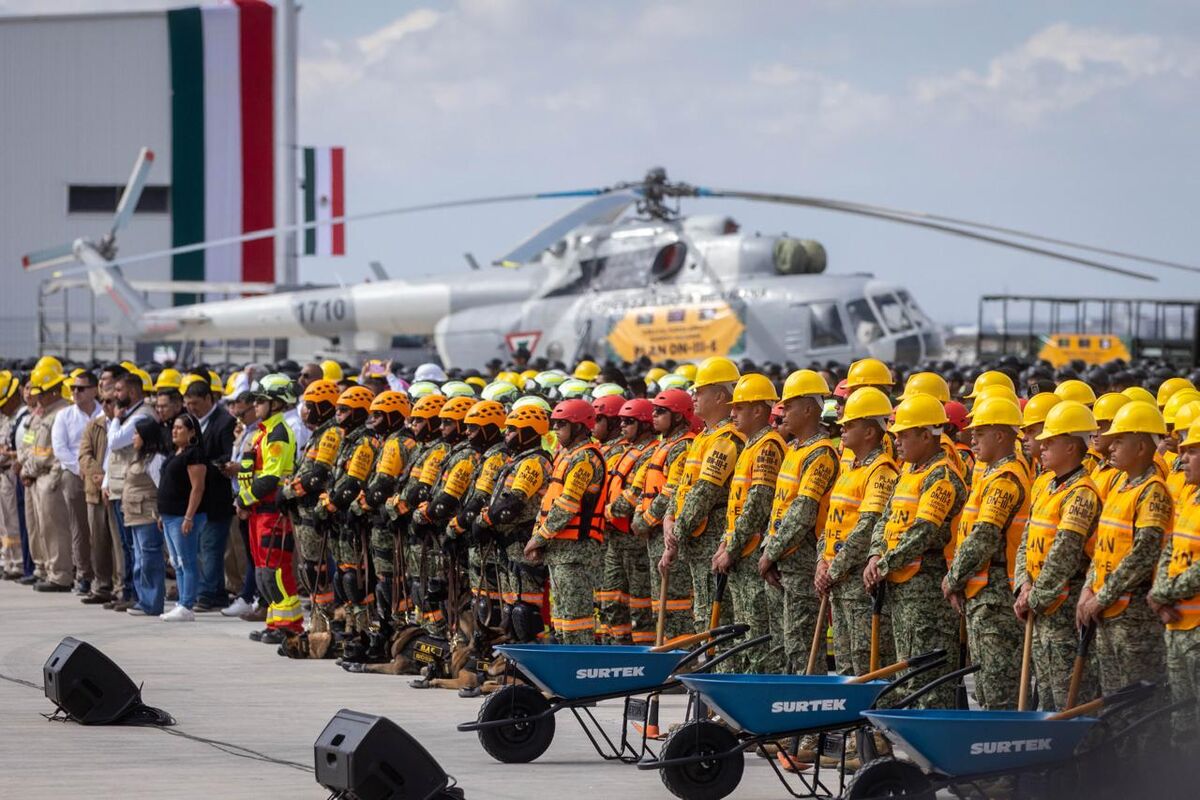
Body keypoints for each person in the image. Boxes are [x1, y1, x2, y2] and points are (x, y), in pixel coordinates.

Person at [865, 393, 966, 708]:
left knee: (928, 680)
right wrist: (875, 555)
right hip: (900, 584)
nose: (897, 442)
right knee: (907, 674)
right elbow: (886, 519)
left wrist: (884, 565)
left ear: (927, 435)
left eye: (904, 435)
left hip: (924, 588)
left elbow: (924, 532)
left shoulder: (942, 476)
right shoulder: (909, 472)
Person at [1078, 400, 1170, 697]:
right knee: (1113, 705)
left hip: (1133, 618)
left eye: (1119, 440)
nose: (1111, 446)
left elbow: (1143, 554)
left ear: (1142, 447)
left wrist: (1100, 598)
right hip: (1108, 610)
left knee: (1136, 708)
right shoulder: (1121, 486)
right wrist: (1088, 589)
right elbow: (1103, 546)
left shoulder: (1152, 491)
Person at [1013, 401, 1101, 710]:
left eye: (1051, 441)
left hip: (1061, 609)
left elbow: (1064, 552)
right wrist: (1023, 585)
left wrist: (1033, 596)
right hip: (1039, 606)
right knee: (1047, 697)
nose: (1043, 445)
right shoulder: (1048, 487)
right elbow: (1026, 540)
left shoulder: (1081, 493)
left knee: (1069, 701)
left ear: (1072, 447)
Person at [944, 396, 1029, 710]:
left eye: (980, 433)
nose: (972, 438)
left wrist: (953, 578)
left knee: (999, 690)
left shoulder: (1005, 480)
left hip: (996, 595)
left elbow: (984, 537)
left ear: (1001, 436)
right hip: (982, 591)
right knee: (987, 688)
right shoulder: (990, 474)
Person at [760, 370, 837, 675]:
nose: (782, 412)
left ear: (809, 409)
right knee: (785, 646)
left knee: (804, 649)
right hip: (782, 563)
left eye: (789, 405)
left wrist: (770, 552)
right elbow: (779, 508)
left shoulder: (821, 453)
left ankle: (812, 713)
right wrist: (770, 550)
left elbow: (803, 512)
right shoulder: (794, 449)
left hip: (801, 563)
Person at [663, 356, 744, 634]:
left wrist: (676, 534)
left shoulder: (727, 438)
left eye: (700, 391)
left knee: (713, 618)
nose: (693, 397)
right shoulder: (703, 437)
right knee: (703, 616)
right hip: (694, 541)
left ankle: (717, 674)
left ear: (720, 395)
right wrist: (669, 519)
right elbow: (684, 486)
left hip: (711, 540)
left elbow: (704, 492)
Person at [713, 373, 784, 673]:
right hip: (740, 551)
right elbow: (737, 505)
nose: (732, 413)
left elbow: (757, 505)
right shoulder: (750, 445)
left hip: (751, 553)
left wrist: (732, 546)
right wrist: (726, 543)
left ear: (758, 410)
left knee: (756, 641)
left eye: (740, 407)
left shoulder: (767, 446)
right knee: (744, 636)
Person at [524, 399, 607, 644]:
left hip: (575, 552)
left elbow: (567, 505)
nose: (556, 430)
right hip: (560, 550)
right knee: (561, 620)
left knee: (575, 620)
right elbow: (549, 503)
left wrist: (538, 538)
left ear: (580, 427)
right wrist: (540, 540)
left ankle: (579, 669)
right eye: (555, 424)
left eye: (562, 425)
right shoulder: (566, 456)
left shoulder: (584, 459)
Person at [237, 375, 300, 643]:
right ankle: (275, 623)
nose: (256, 406)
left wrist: (244, 499)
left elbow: (270, 478)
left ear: (276, 403)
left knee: (276, 570)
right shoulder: (263, 432)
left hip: (273, 511)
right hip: (259, 512)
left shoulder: (278, 433)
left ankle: (291, 627)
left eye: (261, 401)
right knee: (264, 571)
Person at [1149, 419, 1200, 748]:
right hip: (1177, 626)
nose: (1182, 459)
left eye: (1193, 452)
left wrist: (1163, 593)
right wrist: (1160, 593)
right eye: (1182, 452)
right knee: (1182, 724)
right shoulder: (1192, 499)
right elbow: (1171, 549)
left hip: (1195, 629)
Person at [631, 389, 696, 641]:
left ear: (678, 416)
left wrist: (645, 521)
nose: (653, 415)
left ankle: (684, 661)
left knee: (676, 606)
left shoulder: (683, 447)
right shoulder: (663, 446)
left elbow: (673, 492)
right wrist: (640, 517)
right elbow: (645, 488)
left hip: (668, 534)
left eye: (661, 411)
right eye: (654, 410)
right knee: (661, 605)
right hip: (653, 535)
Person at [279, 379, 344, 632]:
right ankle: (319, 621)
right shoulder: (319, 434)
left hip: (316, 512)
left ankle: (324, 624)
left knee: (318, 570)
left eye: (309, 405)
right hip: (304, 512)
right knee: (310, 569)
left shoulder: (331, 434)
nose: (304, 410)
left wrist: (287, 492)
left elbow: (319, 475)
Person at [600, 399, 659, 644]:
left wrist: (605, 512)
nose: (622, 426)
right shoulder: (628, 450)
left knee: (640, 602)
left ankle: (642, 651)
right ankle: (618, 646)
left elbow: (632, 495)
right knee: (611, 599)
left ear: (644, 423)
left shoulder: (651, 452)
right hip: (616, 538)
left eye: (629, 421)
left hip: (634, 540)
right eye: (621, 420)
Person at [182, 377, 237, 612]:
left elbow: (228, 455)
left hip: (216, 496)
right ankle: (213, 591)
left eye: (195, 403)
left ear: (208, 399)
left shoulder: (224, 421)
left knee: (211, 546)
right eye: (188, 404)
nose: (191, 408)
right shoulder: (190, 422)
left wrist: (206, 466)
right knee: (201, 548)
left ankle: (208, 594)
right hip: (196, 498)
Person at [103, 371, 155, 612]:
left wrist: (114, 419)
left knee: (135, 548)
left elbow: (114, 442)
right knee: (126, 546)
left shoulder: (140, 417)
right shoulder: (128, 415)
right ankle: (128, 592)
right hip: (120, 488)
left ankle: (136, 595)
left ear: (133, 392)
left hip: (133, 491)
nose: (115, 395)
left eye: (119, 390)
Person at [51, 369, 103, 595]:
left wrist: (96, 471)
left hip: (100, 476)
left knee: (101, 529)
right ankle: (84, 575)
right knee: (79, 528)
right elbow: (60, 448)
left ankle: (104, 576)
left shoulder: (104, 414)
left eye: (81, 388)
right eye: (73, 388)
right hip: (74, 475)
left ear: (94, 390)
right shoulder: (64, 416)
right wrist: (80, 468)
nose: (75, 392)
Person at [23, 363, 73, 591]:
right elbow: (31, 445)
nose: (36, 398)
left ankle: (61, 574)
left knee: (56, 529)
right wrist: (25, 469)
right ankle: (47, 569)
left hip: (50, 478)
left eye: (40, 394)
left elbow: (58, 453)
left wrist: (51, 480)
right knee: (42, 529)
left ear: (53, 391)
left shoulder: (61, 413)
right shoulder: (41, 414)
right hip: (36, 477)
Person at [157, 413, 208, 622]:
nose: (175, 431)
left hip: (182, 516)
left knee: (187, 560)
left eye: (180, 428)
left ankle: (187, 603)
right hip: (169, 516)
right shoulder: (175, 453)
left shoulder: (194, 455)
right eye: (174, 427)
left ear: (192, 432)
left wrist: (189, 517)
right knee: (176, 561)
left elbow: (197, 488)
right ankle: (181, 602)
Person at [78, 386, 120, 605]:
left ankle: (121, 587)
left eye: (110, 400)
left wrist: (109, 479)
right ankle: (102, 586)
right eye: (102, 401)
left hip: (116, 490)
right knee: (99, 542)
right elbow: (84, 454)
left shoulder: (126, 425)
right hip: (95, 491)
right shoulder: (94, 425)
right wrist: (98, 475)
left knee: (119, 544)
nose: (105, 405)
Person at [122, 416, 167, 616]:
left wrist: (162, 514)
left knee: (149, 559)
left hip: (148, 515)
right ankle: (143, 600)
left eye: (136, 434)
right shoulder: (138, 456)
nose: (133, 438)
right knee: (140, 559)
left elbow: (162, 488)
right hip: (134, 515)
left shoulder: (155, 459)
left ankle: (153, 602)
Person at [0, 373, 24, 579]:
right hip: (4, 474)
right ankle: (9, 560)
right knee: (5, 523)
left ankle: (17, 563)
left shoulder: (21, 418)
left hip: (11, 472)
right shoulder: (9, 418)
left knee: (13, 522)